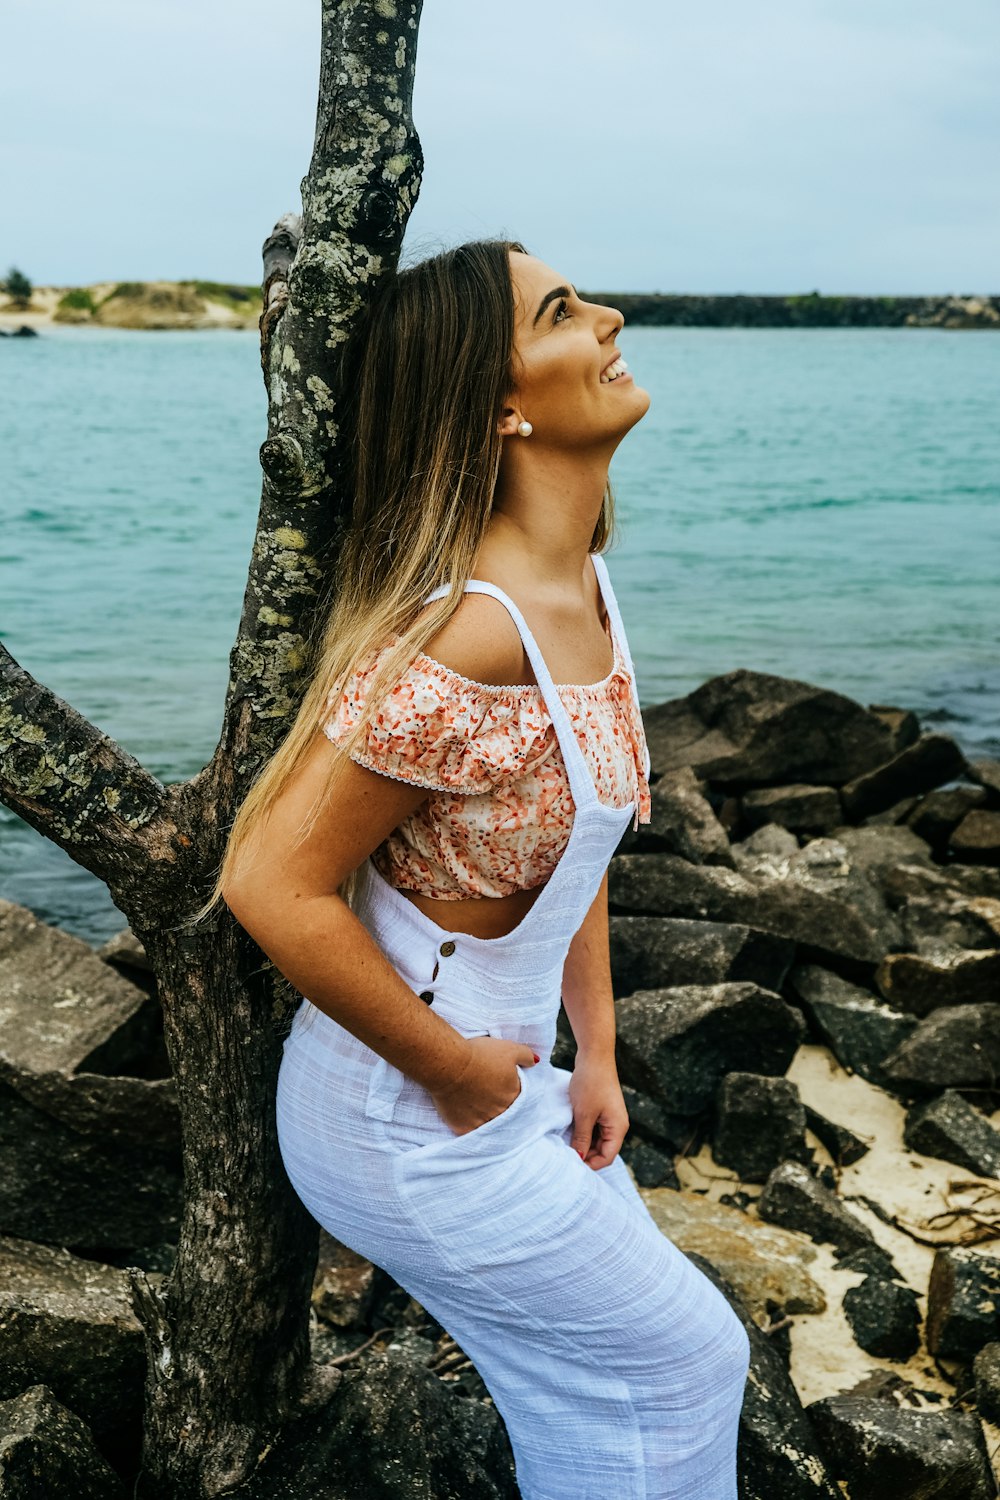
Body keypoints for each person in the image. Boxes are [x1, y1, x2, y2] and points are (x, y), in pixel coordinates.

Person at [211, 240, 751, 1499]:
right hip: (404, 1111)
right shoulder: (467, 636)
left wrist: (597, 1052)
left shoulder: (585, 587)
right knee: (689, 1359)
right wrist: (457, 1073)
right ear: (499, 406)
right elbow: (268, 882)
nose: (611, 314)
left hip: (509, 1085)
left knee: (601, 1388)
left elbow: (581, 844)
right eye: (563, 311)